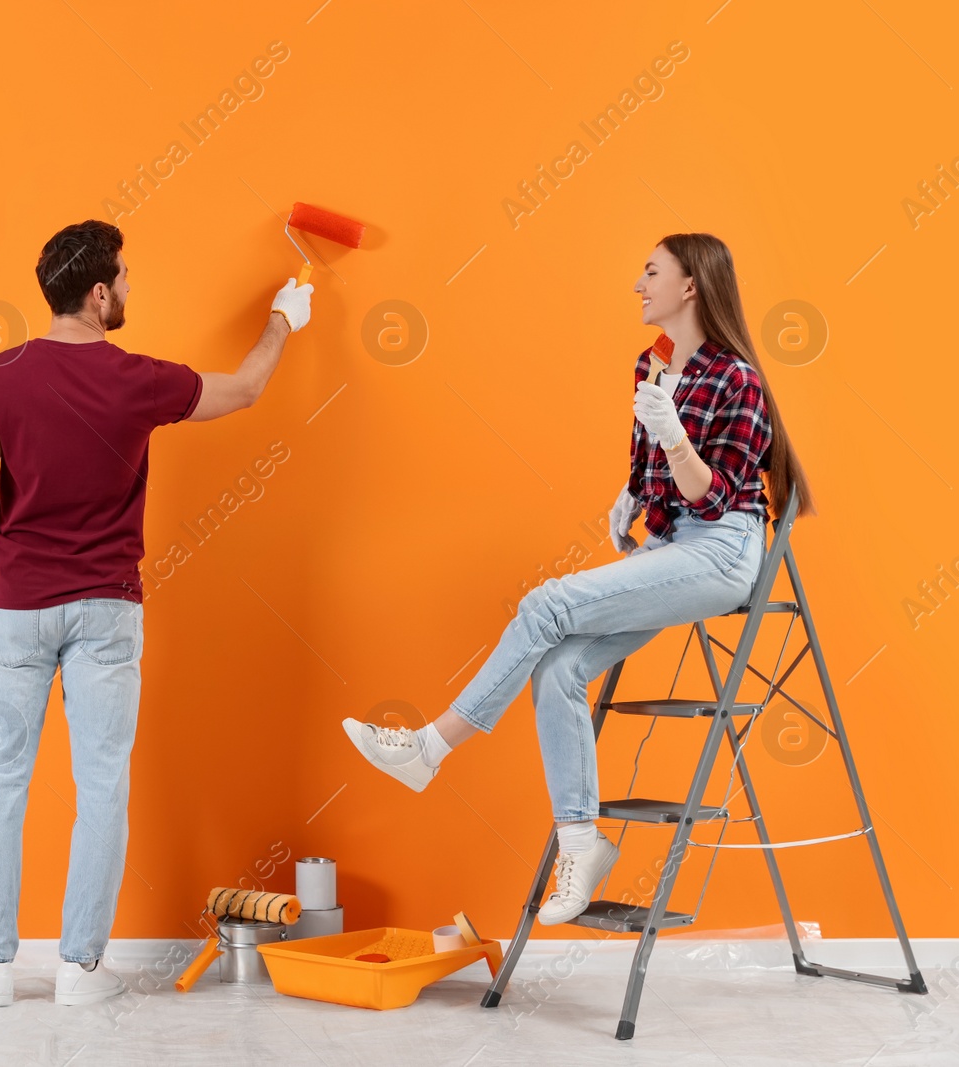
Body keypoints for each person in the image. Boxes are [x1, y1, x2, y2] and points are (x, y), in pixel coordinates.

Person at [342, 232, 813, 926]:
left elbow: (714, 498)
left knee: (546, 603)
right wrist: (632, 502)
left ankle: (430, 746)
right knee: (558, 668)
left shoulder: (735, 378)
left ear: (690, 286)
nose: (637, 283)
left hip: (721, 552)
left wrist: (677, 439)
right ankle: (581, 843)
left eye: (651, 271)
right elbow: (657, 485)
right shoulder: (651, 367)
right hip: (672, 549)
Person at [0, 220, 313, 1007]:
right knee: (101, 784)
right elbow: (244, 389)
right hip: (107, 611)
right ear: (98, 294)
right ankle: (81, 970)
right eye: (125, 279)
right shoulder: (139, 378)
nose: (131, 289)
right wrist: (282, 320)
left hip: (16, 610)